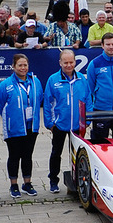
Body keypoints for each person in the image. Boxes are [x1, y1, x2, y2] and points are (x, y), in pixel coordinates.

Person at [0, 54, 44, 198]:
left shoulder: (35, 82)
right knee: (14, 156)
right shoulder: (6, 84)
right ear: (13, 67)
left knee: (27, 156)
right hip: (14, 127)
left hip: (31, 126)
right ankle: (14, 185)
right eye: (20, 65)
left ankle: (27, 183)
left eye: (25, 65)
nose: (23, 68)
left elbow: (39, 98)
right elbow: (0, 103)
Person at [44, 49, 93, 193]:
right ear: (60, 63)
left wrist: (87, 120)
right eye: (65, 62)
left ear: (75, 62)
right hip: (60, 125)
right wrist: (50, 123)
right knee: (56, 153)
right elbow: (48, 102)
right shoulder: (53, 80)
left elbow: (88, 99)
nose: (68, 65)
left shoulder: (82, 79)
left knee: (79, 155)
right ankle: (53, 180)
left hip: (78, 125)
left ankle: (78, 180)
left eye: (71, 62)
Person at [87, 33, 113, 148]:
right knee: (100, 144)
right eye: (108, 44)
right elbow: (91, 86)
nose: (111, 47)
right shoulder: (95, 64)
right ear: (102, 45)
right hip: (101, 109)